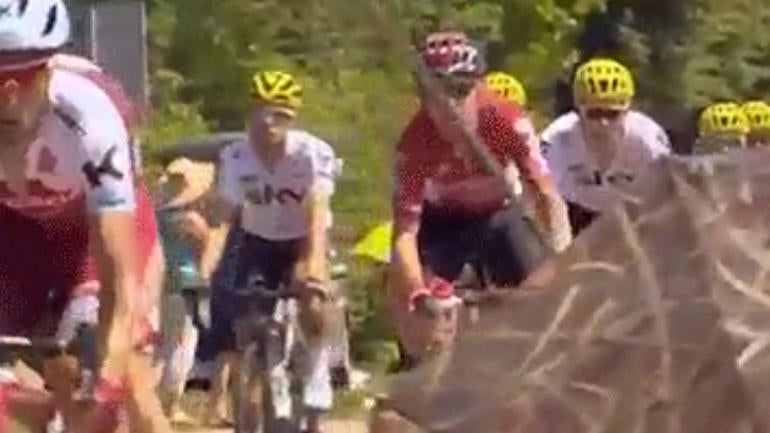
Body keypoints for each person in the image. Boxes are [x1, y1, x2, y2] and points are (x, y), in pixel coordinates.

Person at [0, 1, 170, 432]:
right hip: (14, 235)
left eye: (23, 77)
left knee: (106, 372)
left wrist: (109, 371)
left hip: (91, 236)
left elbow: (119, 272)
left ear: (51, 70)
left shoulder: (92, 116)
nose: (8, 97)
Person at [389, 29, 572, 370]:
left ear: (478, 87)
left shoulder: (505, 118)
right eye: (437, 94)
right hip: (442, 224)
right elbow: (404, 235)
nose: (450, 106)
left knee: (545, 303)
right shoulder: (414, 143)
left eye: (460, 91)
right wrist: (416, 292)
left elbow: (546, 194)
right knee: (415, 310)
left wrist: (561, 258)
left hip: (499, 216)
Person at [211, 69, 337, 432]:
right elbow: (224, 219)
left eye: (279, 115)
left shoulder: (311, 153)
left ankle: (316, 372)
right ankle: (260, 379)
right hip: (258, 241)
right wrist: (210, 265)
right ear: (249, 114)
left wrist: (311, 264)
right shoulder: (235, 156)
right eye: (261, 112)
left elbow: (317, 212)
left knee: (313, 300)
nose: (268, 123)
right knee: (247, 319)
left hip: (302, 238)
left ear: (292, 119)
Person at [540, 57, 672, 235]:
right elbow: (544, 199)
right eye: (594, 113)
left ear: (628, 110)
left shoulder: (648, 141)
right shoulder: (557, 140)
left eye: (613, 114)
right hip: (574, 214)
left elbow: (666, 196)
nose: (603, 123)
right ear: (578, 109)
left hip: (634, 216)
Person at [155, 157, 215, 425]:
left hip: (163, 282)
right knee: (183, 344)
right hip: (187, 283)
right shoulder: (192, 220)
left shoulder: (158, 218)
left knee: (164, 343)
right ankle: (170, 403)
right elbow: (204, 252)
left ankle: (160, 399)